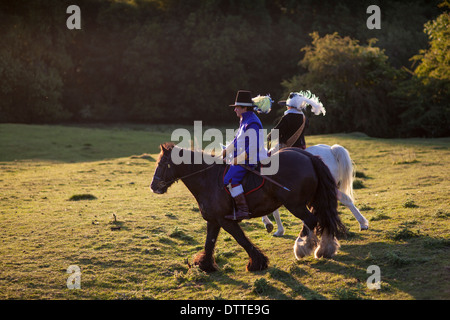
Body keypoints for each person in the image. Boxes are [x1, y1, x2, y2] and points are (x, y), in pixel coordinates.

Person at [222, 90, 268, 221]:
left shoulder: (252, 122)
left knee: (229, 179)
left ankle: (243, 211)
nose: (235, 109)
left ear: (245, 108)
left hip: (251, 159)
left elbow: (253, 148)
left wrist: (237, 159)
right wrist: (227, 150)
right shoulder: (245, 119)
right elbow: (237, 140)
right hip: (242, 157)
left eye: (237, 107)